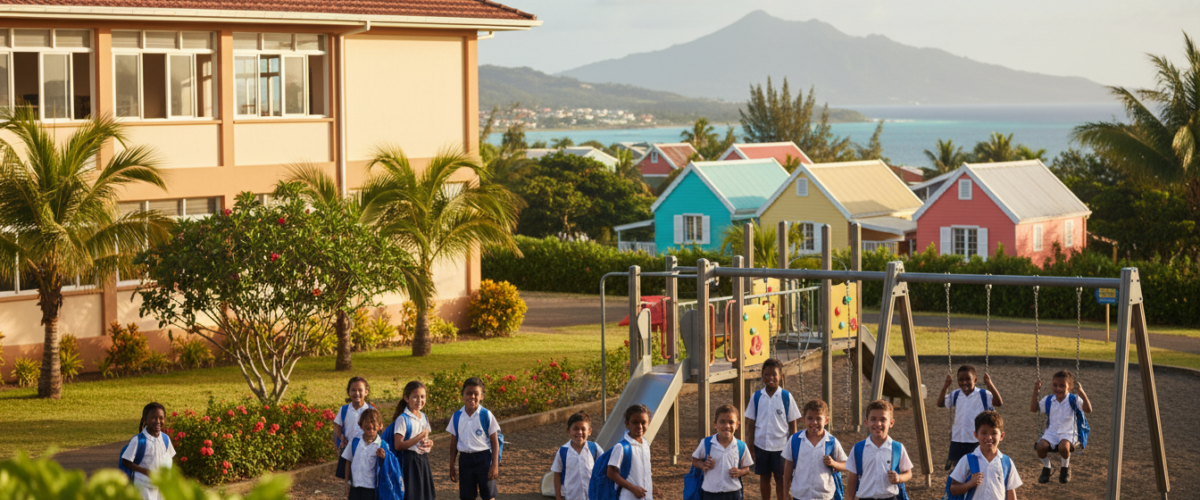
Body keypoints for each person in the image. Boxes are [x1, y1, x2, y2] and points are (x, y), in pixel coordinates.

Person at [744, 358, 800, 500]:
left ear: (780, 376)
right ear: (762, 375)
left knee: (781, 478)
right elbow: (750, 423)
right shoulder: (757, 397)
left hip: (782, 447)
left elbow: (792, 424)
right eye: (767, 375)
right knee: (764, 477)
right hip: (761, 445)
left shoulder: (786, 397)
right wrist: (750, 445)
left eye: (774, 375)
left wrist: (793, 447)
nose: (770, 378)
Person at [1030, 370, 1092, 484]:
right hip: (1051, 432)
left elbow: (1088, 409)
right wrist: (1036, 390)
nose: (1058, 388)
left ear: (1069, 387)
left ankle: (1065, 468)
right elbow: (1033, 409)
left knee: (1063, 447)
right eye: (1055, 385)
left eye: (1062, 385)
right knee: (1040, 446)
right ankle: (1046, 468)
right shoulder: (1049, 400)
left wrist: (1081, 392)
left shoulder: (1073, 399)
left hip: (1068, 433)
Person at [936, 365, 1004, 470]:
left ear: (975, 379)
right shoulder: (956, 394)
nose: (964, 382)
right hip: (958, 437)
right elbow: (940, 403)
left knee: (975, 466)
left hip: (974, 439)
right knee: (959, 467)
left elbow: (999, 402)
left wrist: (989, 384)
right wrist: (945, 387)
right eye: (961, 380)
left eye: (968, 379)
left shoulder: (982, 394)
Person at [846, 400, 913, 500]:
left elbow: (908, 473)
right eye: (873, 419)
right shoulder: (858, 448)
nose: (878, 423)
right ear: (866, 422)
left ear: (891, 423)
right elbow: (852, 477)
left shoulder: (897, 448)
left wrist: (899, 478)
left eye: (883, 419)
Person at [947, 411, 1022, 500]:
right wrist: (970, 483)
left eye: (994, 433)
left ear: (1001, 436)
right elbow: (953, 489)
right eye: (983, 433)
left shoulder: (1007, 462)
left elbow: (1010, 491)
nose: (989, 437)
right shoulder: (967, 460)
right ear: (976, 435)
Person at [448, 377, 501, 500]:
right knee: (467, 496)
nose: (472, 397)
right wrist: (451, 465)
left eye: (476, 394)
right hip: (465, 460)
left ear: (481, 396)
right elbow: (453, 442)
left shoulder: (486, 415)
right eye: (468, 393)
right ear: (463, 395)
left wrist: (495, 465)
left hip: (484, 459)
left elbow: (494, 441)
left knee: (488, 495)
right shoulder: (457, 416)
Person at [781, 400, 846, 500]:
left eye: (818, 418)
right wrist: (785, 493)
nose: (814, 422)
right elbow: (788, 467)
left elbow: (846, 465)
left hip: (824, 496)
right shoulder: (795, 440)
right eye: (810, 418)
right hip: (800, 495)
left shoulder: (831, 442)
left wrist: (833, 463)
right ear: (804, 420)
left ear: (826, 420)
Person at [691, 404, 753, 500]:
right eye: (722, 422)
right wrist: (703, 465)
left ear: (737, 425)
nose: (727, 426)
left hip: (733, 493)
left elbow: (747, 468)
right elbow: (695, 460)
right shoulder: (706, 443)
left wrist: (740, 472)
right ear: (715, 424)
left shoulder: (741, 446)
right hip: (710, 493)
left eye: (731, 422)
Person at [120, 402, 176, 500]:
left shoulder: (165, 439)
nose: (158, 421)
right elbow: (126, 461)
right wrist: (145, 471)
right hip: (143, 486)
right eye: (153, 418)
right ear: (145, 420)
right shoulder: (138, 440)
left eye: (161, 418)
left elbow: (169, 458)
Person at [392, 380, 435, 500]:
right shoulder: (403, 419)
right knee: (412, 495)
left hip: (423, 460)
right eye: (415, 397)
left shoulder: (423, 417)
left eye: (422, 397)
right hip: (408, 462)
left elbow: (426, 440)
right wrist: (419, 437)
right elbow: (398, 445)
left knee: (424, 495)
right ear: (406, 398)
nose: (419, 400)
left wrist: (429, 443)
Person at [607, 404, 654, 500]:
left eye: (643, 422)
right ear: (627, 423)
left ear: (648, 423)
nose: (639, 426)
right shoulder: (622, 447)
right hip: (628, 496)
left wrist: (653, 487)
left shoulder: (645, 444)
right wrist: (633, 488)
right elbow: (611, 473)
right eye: (635, 422)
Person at [551, 412, 601, 500]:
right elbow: (557, 474)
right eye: (575, 428)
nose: (579, 432)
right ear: (568, 431)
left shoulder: (595, 448)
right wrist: (558, 497)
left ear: (589, 431)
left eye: (583, 429)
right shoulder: (563, 451)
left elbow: (604, 469)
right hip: (571, 496)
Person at [342, 408, 388, 500]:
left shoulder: (382, 445)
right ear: (360, 425)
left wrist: (383, 456)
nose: (370, 425)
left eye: (373, 423)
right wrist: (347, 482)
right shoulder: (354, 442)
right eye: (367, 423)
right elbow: (348, 462)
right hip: (355, 486)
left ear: (380, 426)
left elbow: (387, 466)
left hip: (372, 489)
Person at [335, 376, 374, 479]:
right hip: (349, 449)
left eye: (360, 390)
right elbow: (336, 425)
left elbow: (377, 429)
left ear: (366, 392)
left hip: (366, 449)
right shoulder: (344, 409)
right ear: (348, 392)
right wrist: (341, 437)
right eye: (353, 390)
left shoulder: (370, 411)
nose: (357, 393)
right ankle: (350, 493)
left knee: (365, 477)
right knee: (349, 477)